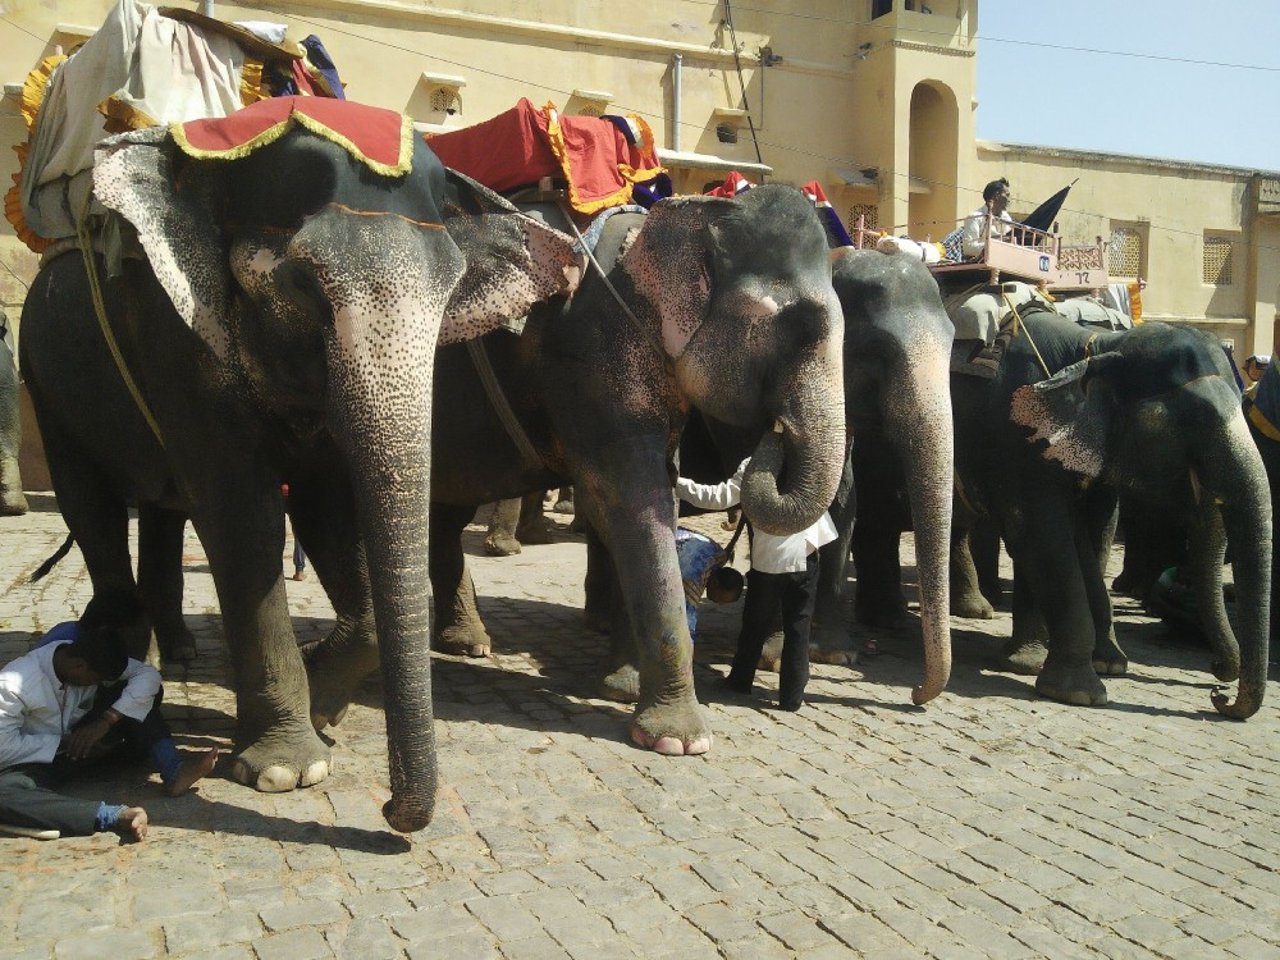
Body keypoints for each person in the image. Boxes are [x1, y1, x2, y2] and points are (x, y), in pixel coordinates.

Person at [0, 593, 218, 841]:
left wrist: (105, 722)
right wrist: (63, 743)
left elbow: (147, 676)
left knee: (138, 693)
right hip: (35, 760)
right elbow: (3, 748)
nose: (97, 684)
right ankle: (113, 816)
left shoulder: (88, 655)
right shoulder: (12, 684)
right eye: (95, 680)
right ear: (80, 667)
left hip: (84, 747)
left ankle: (173, 769)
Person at [675, 456, 837, 711]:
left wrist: (675, 481)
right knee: (798, 628)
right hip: (806, 557)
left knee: (754, 624)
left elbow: (717, 497)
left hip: (768, 562)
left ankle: (740, 682)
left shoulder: (753, 465)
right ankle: (792, 698)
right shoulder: (808, 460)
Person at [675, 526, 744, 639]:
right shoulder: (694, 578)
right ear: (716, 584)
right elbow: (687, 622)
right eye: (721, 599)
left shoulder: (718, 553)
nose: (719, 603)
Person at [946, 177, 1014, 262]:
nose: (1009, 199)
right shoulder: (975, 217)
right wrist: (995, 245)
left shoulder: (1006, 217)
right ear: (996, 196)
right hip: (981, 264)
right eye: (1007, 195)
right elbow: (969, 248)